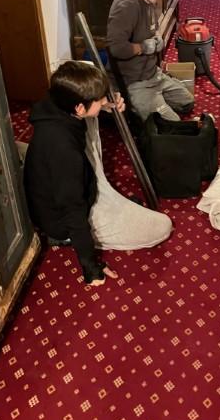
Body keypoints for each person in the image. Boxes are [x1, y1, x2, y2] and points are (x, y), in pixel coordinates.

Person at [24, 61, 172, 287]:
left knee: (88, 75)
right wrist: (90, 266)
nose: (105, 100)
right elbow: (73, 210)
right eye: (99, 99)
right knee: (162, 226)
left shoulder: (57, 100)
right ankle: (65, 239)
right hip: (63, 219)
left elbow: (89, 98)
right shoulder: (63, 152)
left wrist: (105, 106)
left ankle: (105, 198)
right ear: (79, 108)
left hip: (80, 183)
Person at [107, 0, 194, 121]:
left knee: (187, 102)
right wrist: (143, 47)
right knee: (172, 125)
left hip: (153, 74)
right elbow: (116, 48)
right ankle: (137, 107)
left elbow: (147, 30)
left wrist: (156, 39)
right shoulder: (128, 5)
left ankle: (157, 100)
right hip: (135, 82)